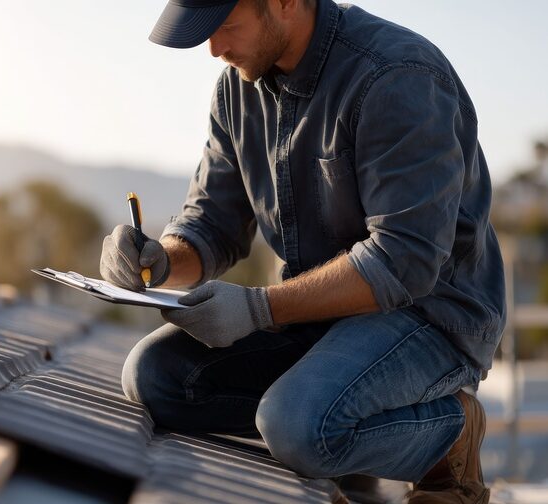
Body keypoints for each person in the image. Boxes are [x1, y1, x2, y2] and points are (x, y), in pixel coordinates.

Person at [99, 1, 505, 502]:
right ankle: (349, 428)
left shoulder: (398, 76)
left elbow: (404, 262)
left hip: (428, 317)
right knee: (154, 377)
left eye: (225, 25)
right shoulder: (238, 87)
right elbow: (212, 223)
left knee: (296, 426)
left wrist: (258, 308)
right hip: (317, 315)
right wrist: (160, 259)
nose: (214, 49)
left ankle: (450, 434)